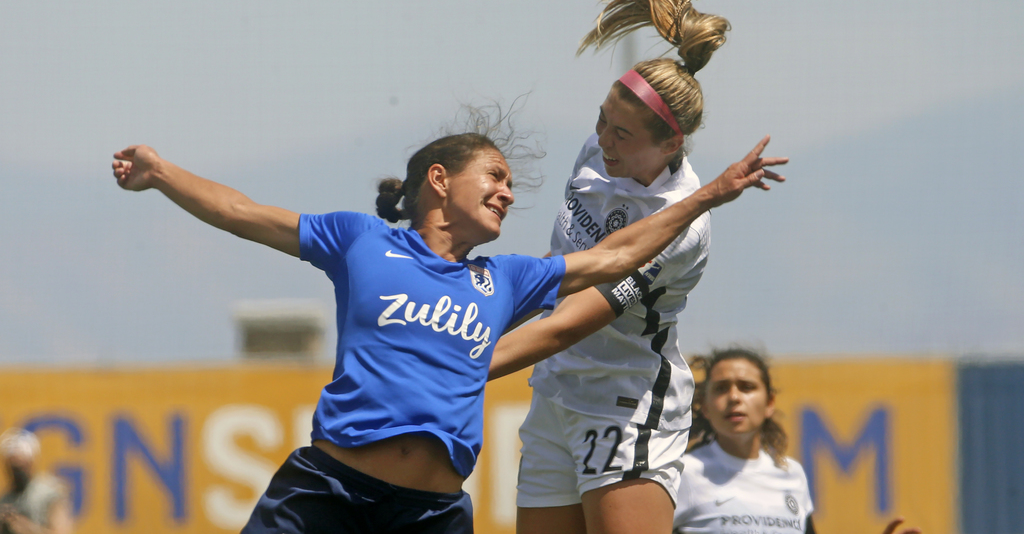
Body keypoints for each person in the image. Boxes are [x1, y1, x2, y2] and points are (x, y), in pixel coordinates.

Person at [111, 118, 786, 534]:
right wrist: (161, 171)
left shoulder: (506, 278)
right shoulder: (361, 241)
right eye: (494, 175)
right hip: (327, 494)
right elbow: (240, 209)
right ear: (440, 180)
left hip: (429, 516)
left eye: (511, 184)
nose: (508, 192)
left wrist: (707, 194)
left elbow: (614, 255)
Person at [488, 0, 737, 534]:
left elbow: (567, 322)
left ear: (670, 144)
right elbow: (554, 277)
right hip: (554, 392)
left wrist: (455, 365)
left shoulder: (680, 226)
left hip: (624, 405)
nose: (604, 138)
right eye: (602, 118)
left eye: (622, 133)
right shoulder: (597, 154)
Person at [674, 348, 922, 534]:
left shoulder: (792, 475)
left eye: (747, 387)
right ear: (704, 406)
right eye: (721, 388)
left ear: (770, 403)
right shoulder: (681, 473)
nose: (734, 397)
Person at [0, 429, 73, 534]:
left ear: (31, 463)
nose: (17, 472)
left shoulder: (48, 493)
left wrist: (28, 529)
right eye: (13, 466)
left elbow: (62, 531)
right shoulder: (6, 499)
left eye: (21, 466)